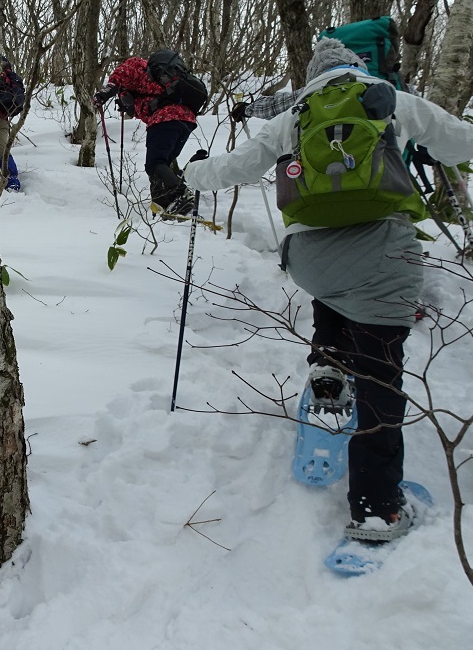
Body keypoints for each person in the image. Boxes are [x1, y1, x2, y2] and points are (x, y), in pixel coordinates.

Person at [183, 37, 473, 542]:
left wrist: (190, 172)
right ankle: (377, 508)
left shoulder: (295, 115)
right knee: (382, 377)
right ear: (357, 68)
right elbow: (459, 142)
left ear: (313, 76)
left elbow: (235, 167)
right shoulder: (389, 99)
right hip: (384, 249)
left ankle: (329, 378)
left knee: (335, 302)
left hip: (311, 260)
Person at [93, 53, 197, 214]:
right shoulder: (161, 80)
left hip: (165, 120)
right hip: (186, 121)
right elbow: (144, 104)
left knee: (154, 164)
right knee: (161, 165)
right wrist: (126, 104)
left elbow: (118, 78)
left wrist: (104, 94)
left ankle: (182, 194)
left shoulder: (135, 65)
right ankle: (165, 204)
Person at [0, 57, 25, 194]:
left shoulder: (10, 79)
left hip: (0, 118)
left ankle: (10, 179)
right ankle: (8, 178)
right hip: (1, 118)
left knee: (2, 150)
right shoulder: (12, 79)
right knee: (1, 149)